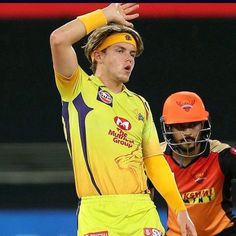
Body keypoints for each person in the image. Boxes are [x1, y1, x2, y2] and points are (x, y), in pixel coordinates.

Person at [50, 3, 197, 236]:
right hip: (99, 212)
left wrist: (180, 209)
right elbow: (59, 39)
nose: (129, 59)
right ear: (98, 55)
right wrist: (103, 15)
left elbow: (154, 161)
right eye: (119, 50)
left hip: (142, 210)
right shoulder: (77, 87)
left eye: (132, 54)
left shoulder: (139, 104)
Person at [159, 91, 236, 236]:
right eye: (180, 126)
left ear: (202, 125)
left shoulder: (221, 155)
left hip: (223, 232)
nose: (187, 133)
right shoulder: (157, 158)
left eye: (193, 125)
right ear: (168, 128)